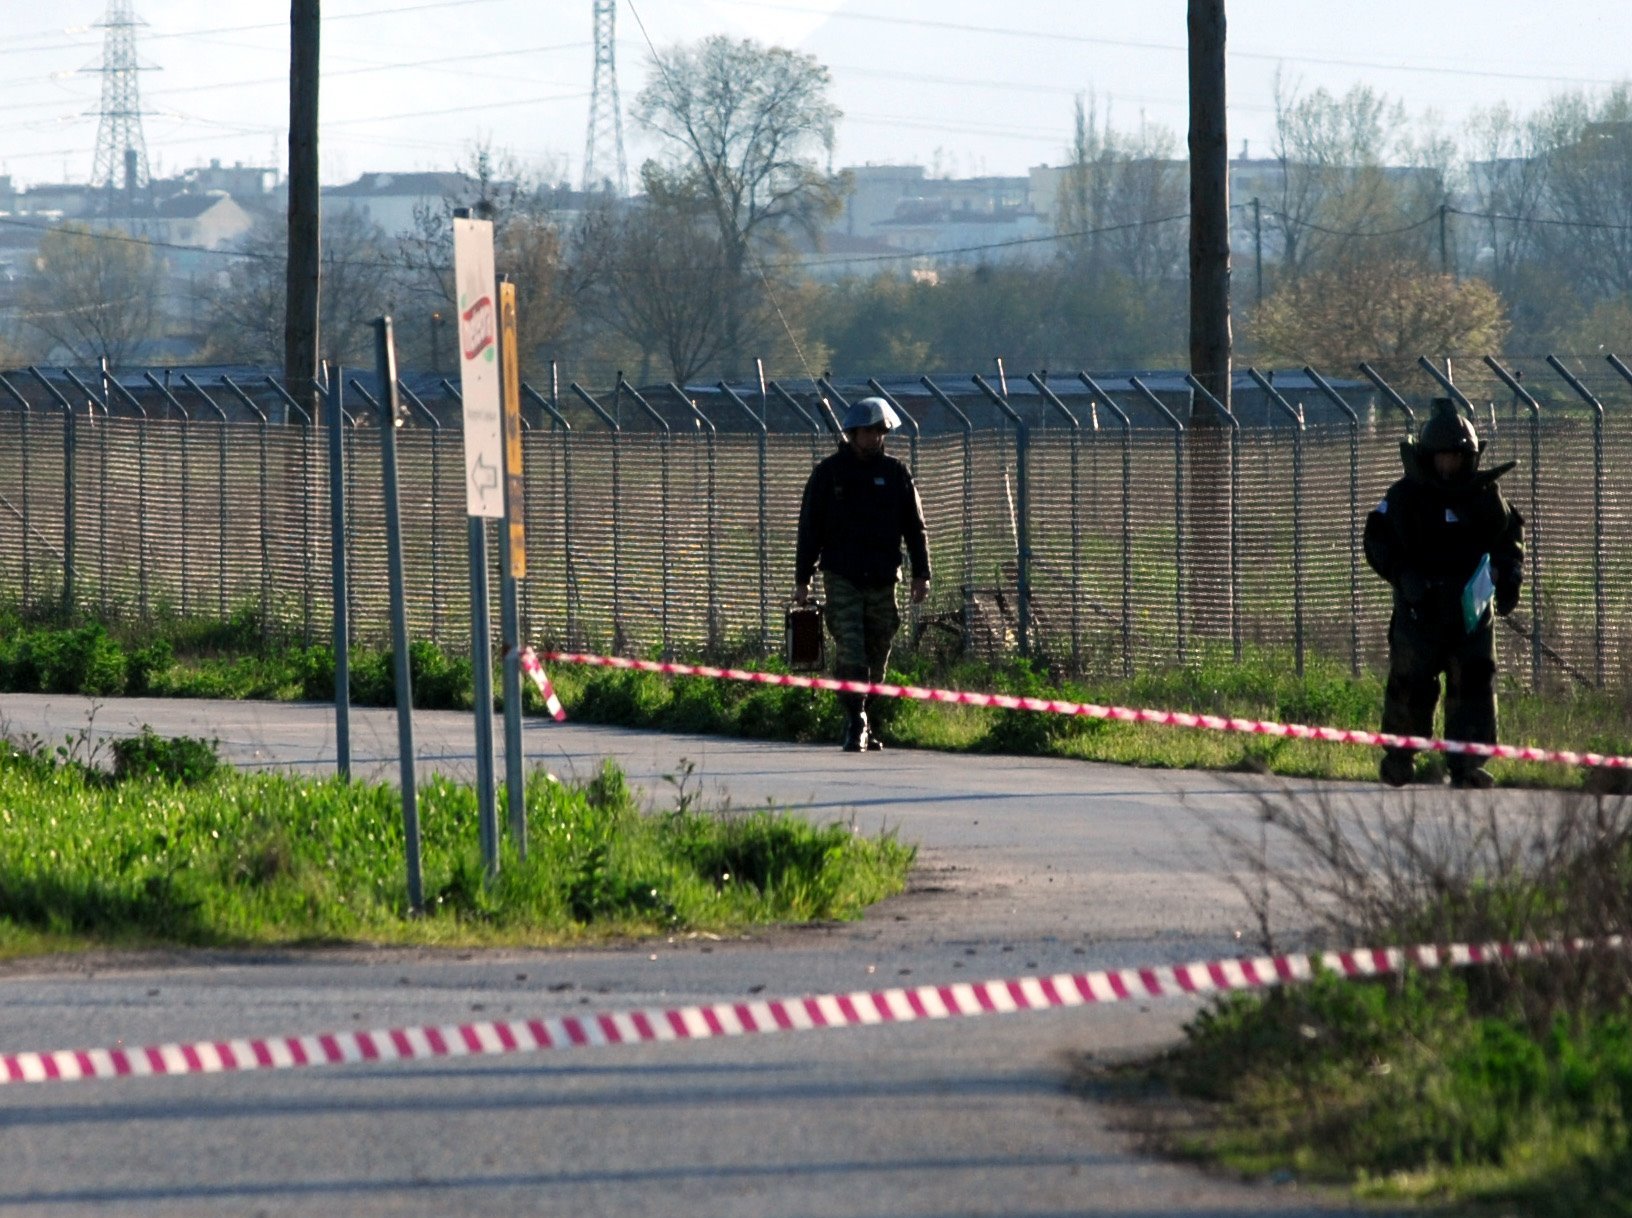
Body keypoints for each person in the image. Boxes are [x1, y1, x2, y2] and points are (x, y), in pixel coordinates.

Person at [1363, 397, 1524, 789]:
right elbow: (1377, 539)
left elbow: (1509, 540)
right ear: (1429, 456)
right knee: (1411, 683)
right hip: (1421, 612)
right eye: (1443, 457)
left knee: (1473, 684)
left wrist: (1509, 578)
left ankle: (1467, 765)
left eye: (1458, 456)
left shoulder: (1486, 497)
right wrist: (1403, 575)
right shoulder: (1405, 497)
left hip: (1471, 614)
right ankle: (1401, 758)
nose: (1450, 464)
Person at [794, 396, 931, 752]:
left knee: (877, 654)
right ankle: (856, 721)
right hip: (842, 575)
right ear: (852, 433)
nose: (872, 438)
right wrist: (802, 579)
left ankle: (864, 717)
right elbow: (810, 529)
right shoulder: (829, 474)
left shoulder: (896, 474)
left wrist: (922, 573)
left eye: (878, 431)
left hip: (884, 577)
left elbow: (915, 528)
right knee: (851, 650)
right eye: (865, 431)